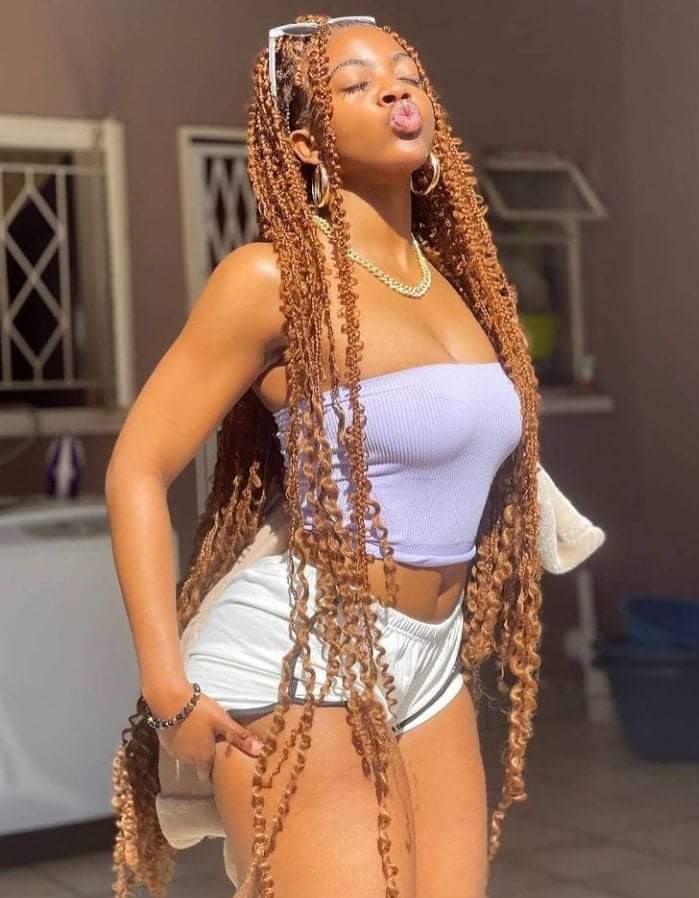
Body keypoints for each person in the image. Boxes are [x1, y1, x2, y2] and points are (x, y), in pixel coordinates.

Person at [108, 14, 551, 898]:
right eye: (356, 84)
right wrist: (166, 689)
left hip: (431, 658)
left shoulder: (454, 280)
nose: (394, 88)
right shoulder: (271, 279)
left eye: (404, 71)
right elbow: (137, 469)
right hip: (302, 653)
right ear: (306, 145)